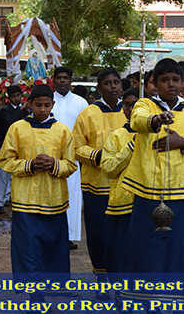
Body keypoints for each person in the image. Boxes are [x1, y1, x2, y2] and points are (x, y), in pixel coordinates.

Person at [121, 58, 184, 285]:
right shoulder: (145, 106)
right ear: (154, 84)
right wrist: (156, 120)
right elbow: (137, 121)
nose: (171, 85)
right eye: (164, 80)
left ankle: (183, 294)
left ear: (183, 82)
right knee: (147, 245)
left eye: (176, 80)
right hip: (149, 192)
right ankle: (146, 297)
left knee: (182, 245)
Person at [0, 84, 77, 281]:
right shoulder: (17, 128)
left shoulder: (63, 131)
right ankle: (33, 292)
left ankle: (53, 286)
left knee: (54, 248)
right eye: (38, 105)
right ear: (30, 104)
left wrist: (53, 164)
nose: (42, 110)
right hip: (25, 200)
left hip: (54, 200)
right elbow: (5, 161)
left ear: (53, 105)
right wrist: (30, 165)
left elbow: (70, 165)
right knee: (27, 248)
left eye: (47, 105)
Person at [73, 68, 126, 280]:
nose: (113, 87)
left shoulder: (131, 111)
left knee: (123, 234)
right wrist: (100, 156)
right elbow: (76, 147)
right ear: (99, 88)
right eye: (108, 83)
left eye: (116, 82)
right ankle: (102, 279)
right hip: (97, 185)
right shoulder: (88, 114)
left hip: (126, 185)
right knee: (98, 234)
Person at [101, 88, 139, 274]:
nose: (131, 109)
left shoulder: (157, 133)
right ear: (122, 109)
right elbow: (108, 168)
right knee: (121, 252)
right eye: (127, 105)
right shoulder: (116, 136)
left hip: (148, 201)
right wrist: (131, 146)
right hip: (123, 201)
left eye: (135, 105)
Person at [52, 67, 89, 250]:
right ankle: (53, 236)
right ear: (54, 80)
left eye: (65, 78)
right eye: (59, 78)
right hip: (50, 156)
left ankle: (68, 235)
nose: (62, 81)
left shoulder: (81, 103)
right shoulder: (47, 101)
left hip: (73, 157)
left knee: (73, 196)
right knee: (52, 194)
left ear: (71, 80)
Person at [0, 84, 29, 213]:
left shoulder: (26, 110)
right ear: (8, 97)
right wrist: (22, 110)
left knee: (5, 175)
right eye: (13, 96)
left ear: (22, 96)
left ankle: (0, 202)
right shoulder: (4, 109)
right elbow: (10, 122)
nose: (16, 99)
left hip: (9, 146)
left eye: (18, 96)